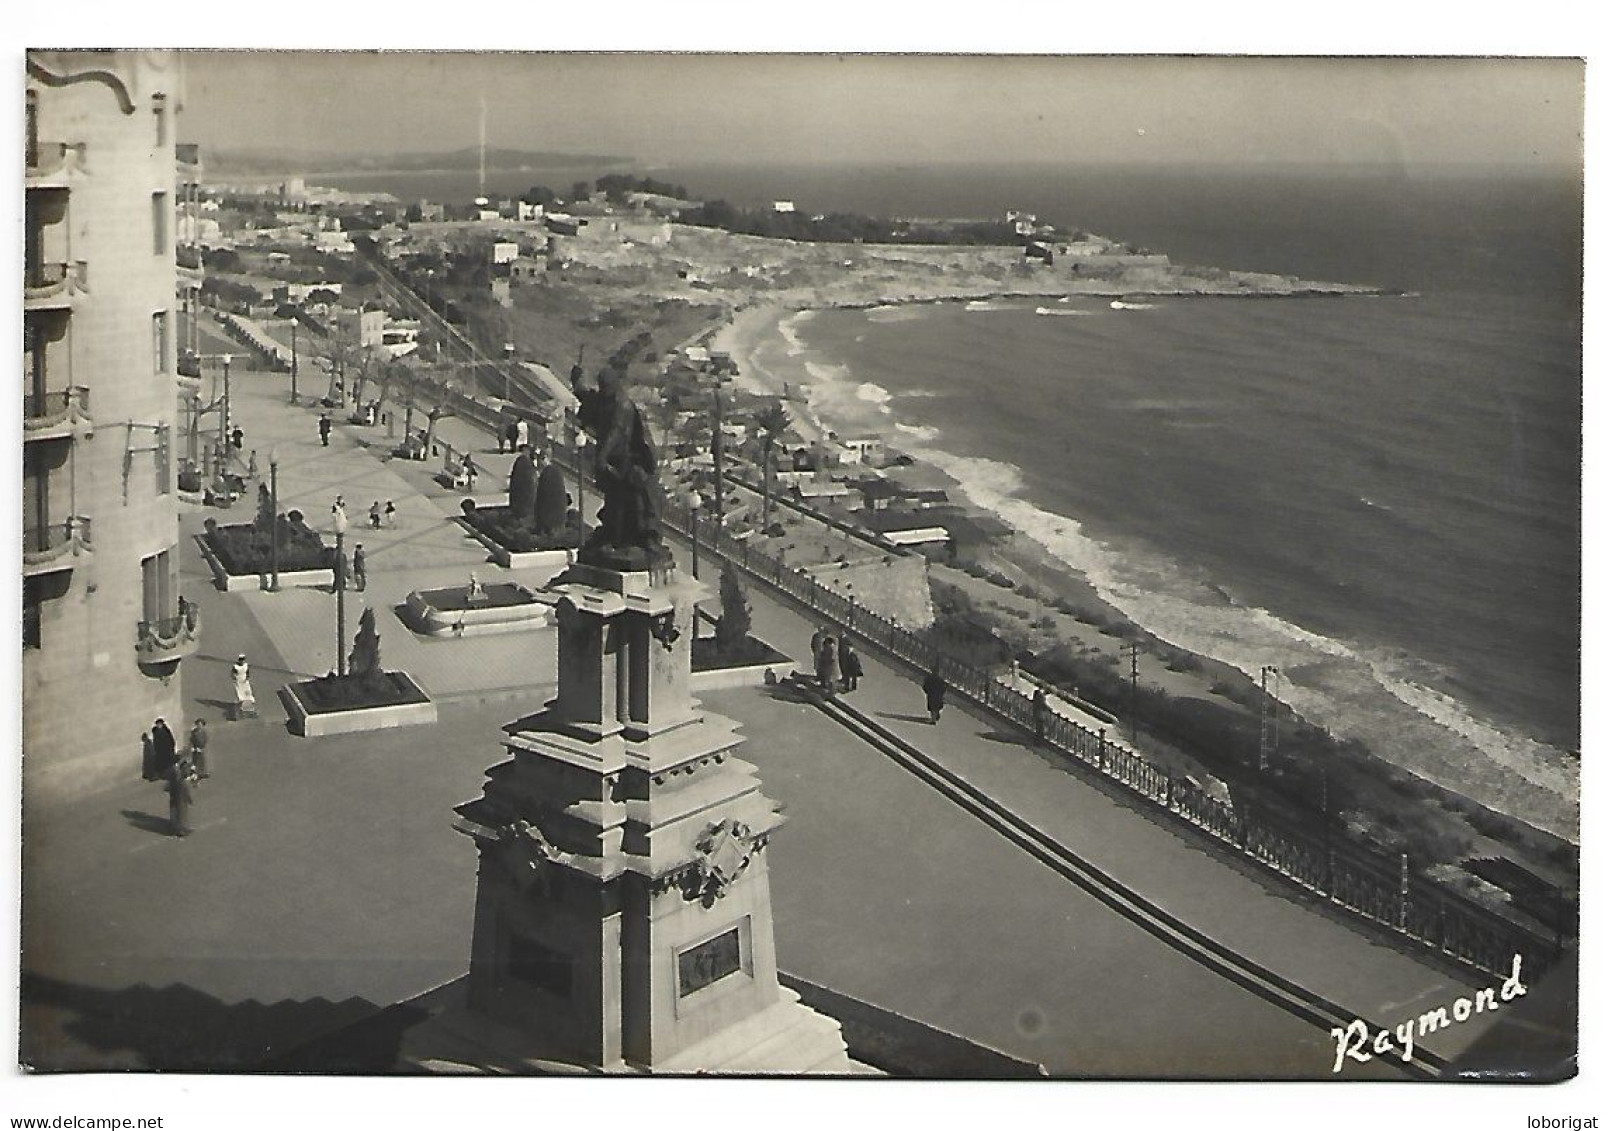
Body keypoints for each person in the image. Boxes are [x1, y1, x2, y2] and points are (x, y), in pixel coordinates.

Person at [166, 754, 197, 838]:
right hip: (179, 797)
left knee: (178, 812)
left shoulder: (174, 770)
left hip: (176, 795)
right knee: (181, 814)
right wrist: (190, 799)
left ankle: (179, 828)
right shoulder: (180, 779)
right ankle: (181, 830)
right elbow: (185, 791)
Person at [150, 717, 177, 782]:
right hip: (160, 751)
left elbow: (171, 739)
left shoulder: (166, 731)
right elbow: (155, 742)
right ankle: (162, 775)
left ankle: (168, 774)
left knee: (167, 763)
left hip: (167, 750)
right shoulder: (156, 732)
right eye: (158, 724)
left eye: (160, 724)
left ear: (162, 724)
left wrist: (171, 747)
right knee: (161, 763)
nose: (159, 725)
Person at [231, 655, 257, 720]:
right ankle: (241, 708)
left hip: (245, 681)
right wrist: (234, 677)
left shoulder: (246, 665)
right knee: (240, 695)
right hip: (239, 681)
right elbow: (232, 673)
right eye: (241, 660)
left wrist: (247, 678)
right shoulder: (235, 666)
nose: (242, 661)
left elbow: (247, 672)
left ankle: (249, 708)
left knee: (248, 694)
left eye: (243, 660)